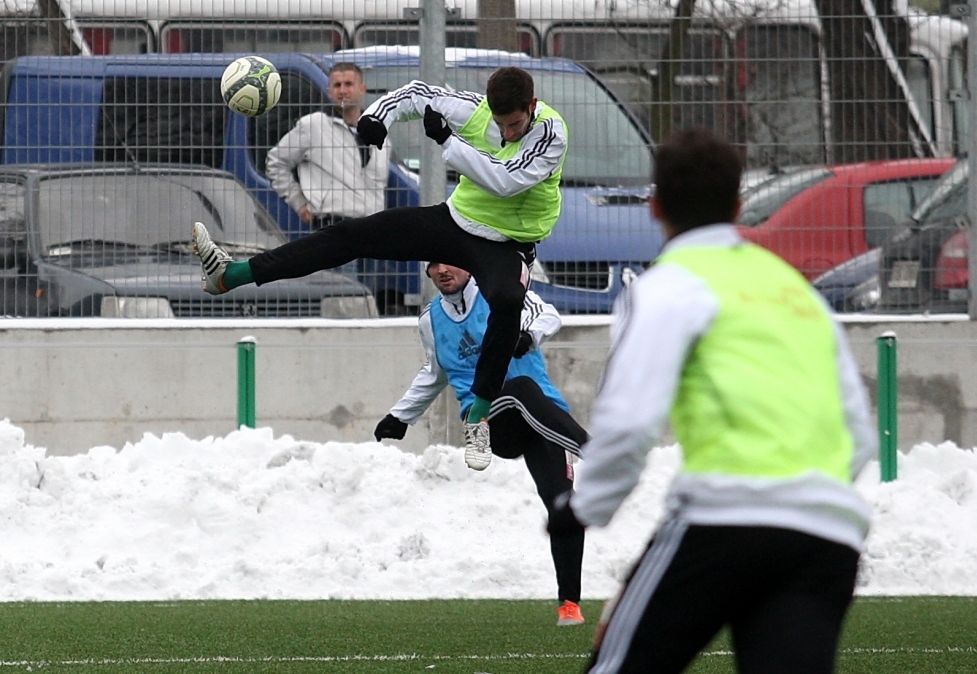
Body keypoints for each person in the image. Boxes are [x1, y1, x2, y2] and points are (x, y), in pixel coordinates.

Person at [547, 129, 877, 673]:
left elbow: (629, 420)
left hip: (723, 520)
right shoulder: (798, 293)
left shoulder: (667, 286)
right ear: (739, 206)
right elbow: (859, 433)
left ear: (654, 207)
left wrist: (583, 508)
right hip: (826, 537)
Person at [192, 66, 568, 471]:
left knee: (508, 302)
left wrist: (446, 141)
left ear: (531, 107)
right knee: (351, 235)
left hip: (507, 243)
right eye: (500, 125)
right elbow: (413, 93)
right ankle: (230, 275)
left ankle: (478, 417)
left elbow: (503, 181)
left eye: (514, 125)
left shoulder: (550, 134)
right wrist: (377, 118)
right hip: (458, 223)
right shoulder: (475, 111)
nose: (508, 132)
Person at [374, 260, 587, 626]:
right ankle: (594, 451)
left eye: (449, 262)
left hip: (543, 422)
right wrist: (400, 416)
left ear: (470, 266)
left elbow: (548, 315)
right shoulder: (430, 320)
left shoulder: (501, 294)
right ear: (427, 273)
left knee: (564, 506)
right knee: (517, 390)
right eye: (433, 265)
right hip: (492, 419)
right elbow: (434, 373)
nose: (442, 270)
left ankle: (569, 604)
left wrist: (528, 336)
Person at [265, 62, 390, 233]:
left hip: (373, 229)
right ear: (329, 92)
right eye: (337, 85)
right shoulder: (314, 125)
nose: (343, 91)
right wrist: (298, 202)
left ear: (362, 89)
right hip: (333, 227)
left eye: (348, 84)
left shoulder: (378, 130)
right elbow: (276, 161)